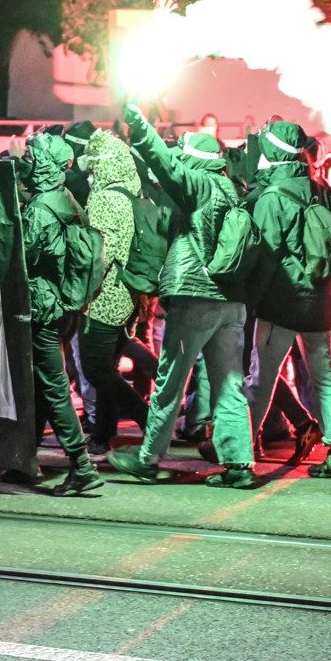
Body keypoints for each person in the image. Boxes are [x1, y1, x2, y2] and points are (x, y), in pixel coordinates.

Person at [109, 102, 256, 488]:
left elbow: (165, 164)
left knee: (170, 381)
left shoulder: (198, 187)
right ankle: (239, 464)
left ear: (194, 163)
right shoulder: (229, 186)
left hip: (195, 298)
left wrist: (138, 123)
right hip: (232, 302)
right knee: (229, 384)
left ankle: (148, 459)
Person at [242, 120, 331, 477]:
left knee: (262, 378)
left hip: (282, 303)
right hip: (320, 301)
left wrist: (251, 302)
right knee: (324, 377)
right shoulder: (321, 189)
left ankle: (241, 452)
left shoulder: (272, 198)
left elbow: (264, 256)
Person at [19, 131, 106, 496]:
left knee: (53, 388)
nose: (25, 160)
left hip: (43, 305)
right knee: (41, 384)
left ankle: (80, 466)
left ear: (43, 165)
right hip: (66, 304)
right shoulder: (65, 198)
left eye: (30, 156)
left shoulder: (40, 210)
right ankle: (21, 461)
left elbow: (23, 257)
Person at [78, 130, 150, 454]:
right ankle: (102, 436)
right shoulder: (131, 191)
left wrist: (83, 293)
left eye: (93, 164)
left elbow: (101, 254)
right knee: (107, 368)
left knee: (96, 369)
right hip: (129, 295)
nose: (90, 171)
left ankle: (148, 419)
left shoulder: (106, 198)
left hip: (104, 298)